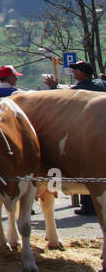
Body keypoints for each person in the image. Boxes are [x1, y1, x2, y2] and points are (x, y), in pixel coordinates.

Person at [43, 61, 106, 215]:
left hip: (86, 132)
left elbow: (64, 96)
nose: (73, 73)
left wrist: (53, 87)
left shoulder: (81, 89)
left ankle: (89, 206)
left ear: (82, 73)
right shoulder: (100, 84)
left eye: (75, 70)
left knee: (87, 168)